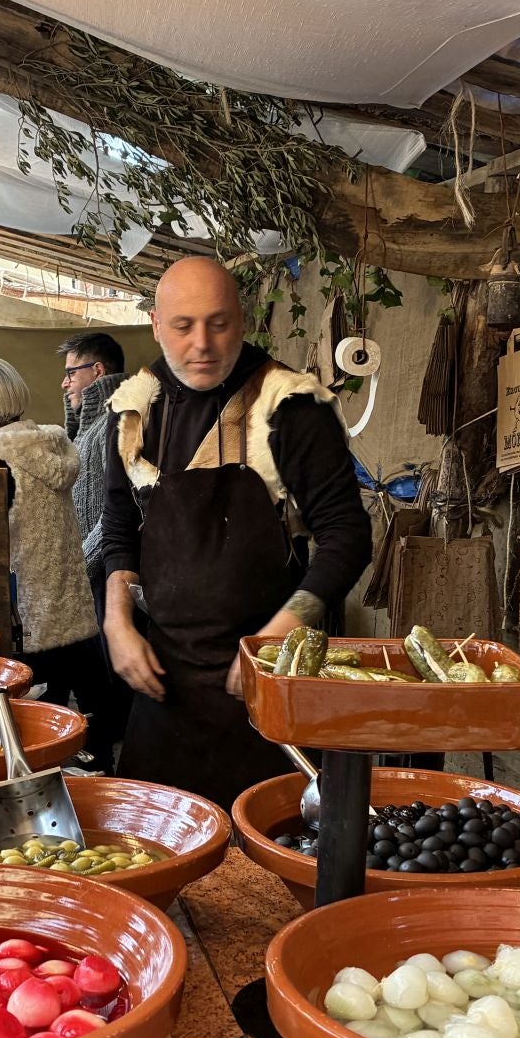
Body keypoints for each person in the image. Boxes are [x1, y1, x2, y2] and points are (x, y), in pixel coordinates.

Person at [97, 256, 372, 808]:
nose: (203, 343)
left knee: (268, 862)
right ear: (155, 324)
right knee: (158, 850)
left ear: (242, 321)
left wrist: (271, 644)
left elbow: (347, 537)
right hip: (165, 681)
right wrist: (117, 620)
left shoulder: (290, 405)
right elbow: (120, 527)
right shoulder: (135, 408)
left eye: (218, 323)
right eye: (183, 326)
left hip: (269, 679)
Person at [0, 356, 114, 733]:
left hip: (25, 635)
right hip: (77, 625)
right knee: (89, 743)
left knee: (36, 751)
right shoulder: (51, 448)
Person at [57, 331, 131, 770]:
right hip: (93, 575)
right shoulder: (91, 424)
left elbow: (117, 514)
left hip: (107, 576)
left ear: (97, 370)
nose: (65, 384)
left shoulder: (115, 424)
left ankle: (113, 768)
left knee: (109, 682)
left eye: (70, 373)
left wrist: (79, 567)